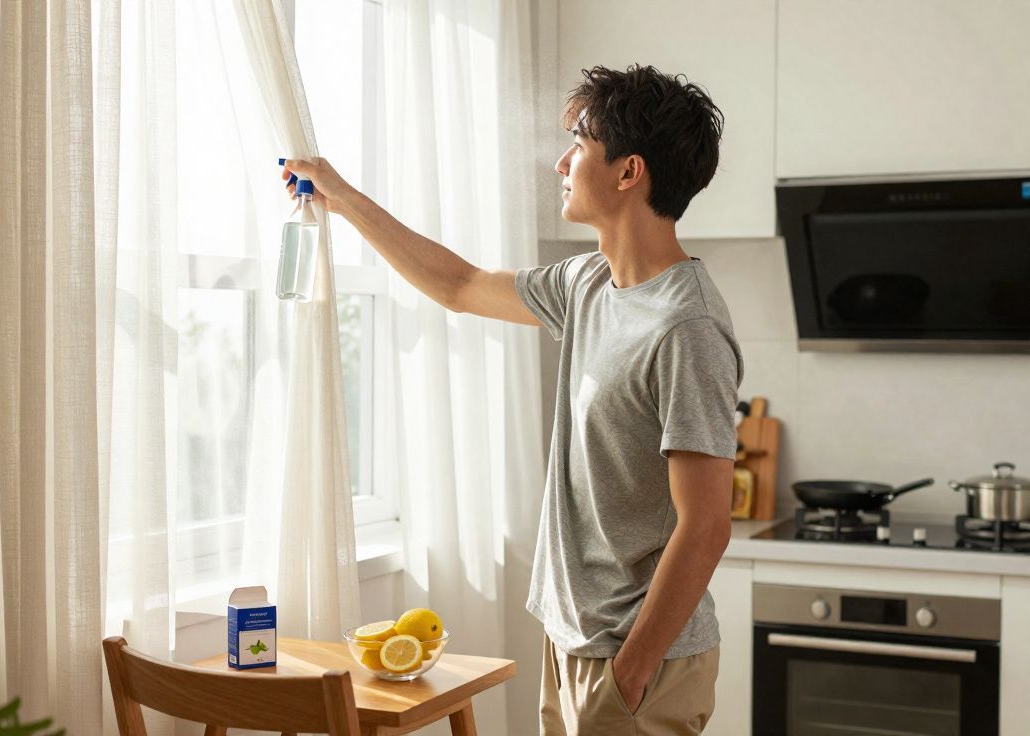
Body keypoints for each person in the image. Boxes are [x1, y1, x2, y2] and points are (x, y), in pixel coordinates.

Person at [283, 63, 741, 735]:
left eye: (578, 144)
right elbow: (460, 285)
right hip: (575, 640)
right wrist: (344, 199)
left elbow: (705, 525)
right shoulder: (588, 283)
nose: (561, 162)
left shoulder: (685, 326)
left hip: (636, 658)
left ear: (628, 171)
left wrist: (631, 671)